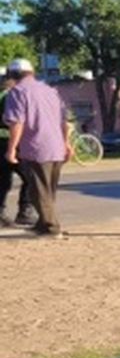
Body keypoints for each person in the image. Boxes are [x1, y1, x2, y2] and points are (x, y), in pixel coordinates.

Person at [2, 58, 72, 237]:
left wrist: (11, 149)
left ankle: (51, 228)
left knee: (38, 191)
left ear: (13, 75)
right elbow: (64, 121)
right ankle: (42, 224)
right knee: (48, 190)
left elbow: (17, 122)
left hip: (36, 148)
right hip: (56, 147)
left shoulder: (17, 92)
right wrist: (67, 144)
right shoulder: (50, 91)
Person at [0, 68, 37, 226]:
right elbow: (17, 121)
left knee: (3, 180)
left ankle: (1, 213)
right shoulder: (11, 96)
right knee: (31, 177)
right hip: (13, 142)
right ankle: (25, 210)